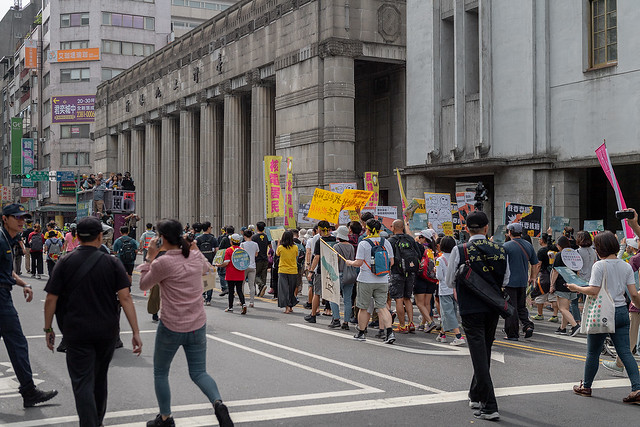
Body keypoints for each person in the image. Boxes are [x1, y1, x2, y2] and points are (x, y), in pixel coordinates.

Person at [43, 216, 142, 426]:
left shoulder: (65, 262)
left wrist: (48, 328)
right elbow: (125, 298)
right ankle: (97, 420)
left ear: (77, 237)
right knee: (99, 379)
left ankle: (90, 423)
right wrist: (135, 332)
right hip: (106, 332)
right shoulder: (112, 262)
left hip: (76, 331)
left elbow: (51, 298)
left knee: (82, 381)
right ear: (99, 236)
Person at [139, 219, 234, 427]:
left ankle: (165, 418)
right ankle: (218, 403)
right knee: (199, 372)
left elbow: (144, 284)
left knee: (161, 372)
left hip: (171, 325)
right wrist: (195, 250)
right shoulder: (195, 256)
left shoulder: (162, 263)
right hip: (197, 323)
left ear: (162, 239)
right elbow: (209, 271)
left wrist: (149, 258)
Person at [445, 211, 510, 421]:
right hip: (493, 306)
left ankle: (489, 405)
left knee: (479, 355)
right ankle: (475, 394)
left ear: (466, 229)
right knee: (485, 351)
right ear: (486, 228)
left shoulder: (460, 250)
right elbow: (506, 280)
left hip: (470, 307)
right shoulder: (500, 249)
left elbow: (449, 281)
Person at [568, 231, 640, 403]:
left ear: (600, 248)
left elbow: (593, 290)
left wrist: (576, 288)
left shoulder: (599, 266)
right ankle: (637, 388)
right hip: (621, 311)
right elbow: (633, 293)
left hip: (602, 313)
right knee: (625, 352)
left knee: (593, 352)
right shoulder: (626, 266)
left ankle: (586, 386)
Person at [0, 204, 58, 408]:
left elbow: (6, 271)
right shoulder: (1, 239)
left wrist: (24, 283)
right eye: (17, 217)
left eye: (23, 217)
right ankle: (29, 391)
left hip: (4, 294)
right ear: (5, 219)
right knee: (17, 343)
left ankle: (28, 390)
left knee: (17, 343)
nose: (21, 221)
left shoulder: (10, 239)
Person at [345, 219, 396, 344]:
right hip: (383, 279)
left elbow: (359, 263)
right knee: (382, 307)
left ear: (367, 229)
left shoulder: (364, 243)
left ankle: (361, 333)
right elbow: (391, 262)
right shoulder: (386, 242)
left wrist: (349, 262)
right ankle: (390, 332)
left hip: (366, 279)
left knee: (363, 308)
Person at [502, 222, 538, 340]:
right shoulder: (528, 245)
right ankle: (527, 326)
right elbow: (535, 263)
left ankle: (512, 334)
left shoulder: (506, 246)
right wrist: (532, 276)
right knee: (521, 306)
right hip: (523, 281)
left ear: (510, 232)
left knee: (510, 307)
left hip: (509, 282)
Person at [388, 219, 423, 333]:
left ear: (393, 227)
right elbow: (418, 254)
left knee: (399, 299)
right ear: (403, 227)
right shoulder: (410, 239)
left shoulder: (391, 241)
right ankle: (411, 323)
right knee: (407, 298)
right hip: (410, 272)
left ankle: (402, 325)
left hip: (396, 272)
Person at [435, 236, 465, 345]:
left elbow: (439, 276)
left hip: (444, 289)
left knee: (448, 312)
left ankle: (458, 336)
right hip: (455, 288)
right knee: (448, 312)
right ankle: (442, 334)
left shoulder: (439, 260)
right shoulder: (456, 258)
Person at [305, 221, 337, 323]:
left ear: (319, 229)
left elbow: (316, 257)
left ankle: (313, 314)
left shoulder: (320, 241)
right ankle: (335, 317)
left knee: (317, 293)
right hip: (332, 270)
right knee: (332, 294)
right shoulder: (334, 240)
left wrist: (311, 271)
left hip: (321, 270)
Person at [550, 236, 581, 337]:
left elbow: (555, 271)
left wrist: (552, 285)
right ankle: (562, 328)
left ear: (560, 245)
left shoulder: (560, 255)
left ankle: (575, 325)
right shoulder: (574, 254)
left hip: (561, 284)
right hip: (572, 283)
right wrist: (577, 284)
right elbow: (578, 270)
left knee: (562, 308)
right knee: (566, 308)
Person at [329, 225, 356, 330]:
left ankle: (336, 319)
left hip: (339, 274)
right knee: (347, 299)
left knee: (333, 297)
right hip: (350, 275)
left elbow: (335, 261)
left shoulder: (336, 247)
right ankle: (346, 322)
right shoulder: (351, 247)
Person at [531, 233, 559, 322]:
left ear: (543, 240)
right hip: (554, 274)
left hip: (544, 275)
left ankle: (540, 314)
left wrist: (534, 276)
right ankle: (555, 315)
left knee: (540, 294)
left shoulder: (541, 251)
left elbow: (538, 265)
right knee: (553, 296)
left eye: (540, 239)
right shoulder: (554, 250)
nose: (539, 240)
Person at [217, 233, 247, 314]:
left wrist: (219, 265)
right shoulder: (242, 250)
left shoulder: (228, 250)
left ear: (231, 242)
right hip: (240, 273)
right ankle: (243, 304)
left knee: (231, 291)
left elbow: (226, 263)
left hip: (231, 273)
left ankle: (230, 307)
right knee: (239, 290)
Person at [276, 230, 299, 313]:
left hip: (283, 270)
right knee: (291, 290)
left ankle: (287, 308)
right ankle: (291, 306)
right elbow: (296, 255)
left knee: (284, 290)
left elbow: (277, 254)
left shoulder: (280, 247)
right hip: (293, 270)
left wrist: (278, 243)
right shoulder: (295, 247)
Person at [240, 230, 259, 308]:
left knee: (242, 284)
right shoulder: (255, 244)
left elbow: (240, 254)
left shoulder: (242, 244)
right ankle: (252, 302)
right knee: (251, 285)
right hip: (252, 266)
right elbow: (256, 254)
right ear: (251, 235)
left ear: (244, 236)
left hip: (244, 266)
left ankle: (242, 301)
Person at [252, 221, 271, 297]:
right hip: (265, 258)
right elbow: (270, 246)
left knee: (255, 275)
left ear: (257, 227)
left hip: (257, 259)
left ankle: (261, 285)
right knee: (264, 276)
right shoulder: (267, 236)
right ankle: (261, 290)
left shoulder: (254, 237)